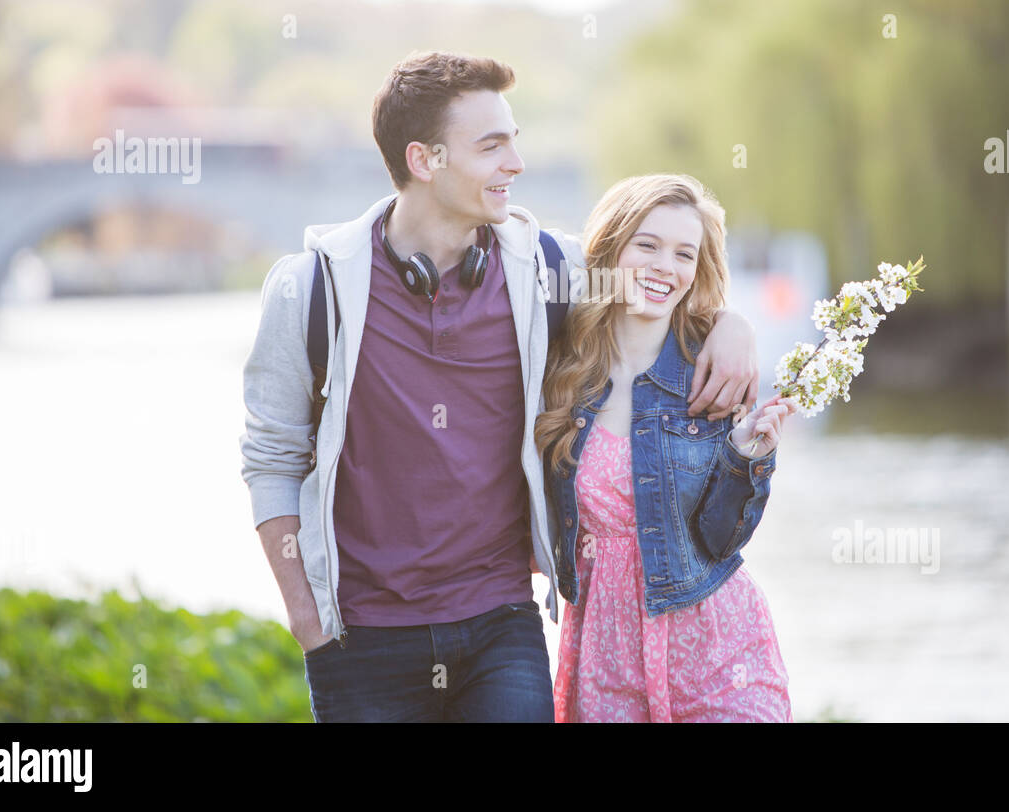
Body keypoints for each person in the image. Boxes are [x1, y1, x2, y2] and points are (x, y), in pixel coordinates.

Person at [239, 52, 763, 722]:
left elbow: (652, 283)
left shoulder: (548, 269)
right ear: (426, 160)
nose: (516, 162)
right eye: (492, 146)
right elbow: (272, 458)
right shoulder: (312, 290)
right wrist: (305, 617)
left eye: (514, 140)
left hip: (500, 624)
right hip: (360, 638)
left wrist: (728, 322)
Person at [537, 173, 796, 722]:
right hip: (605, 651)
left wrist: (745, 458)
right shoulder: (561, 370)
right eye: (647, 245)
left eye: (684, 253)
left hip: (718, 647)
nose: (665, 267)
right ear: (611, 248)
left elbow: (719, 539)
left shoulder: (713, 373)